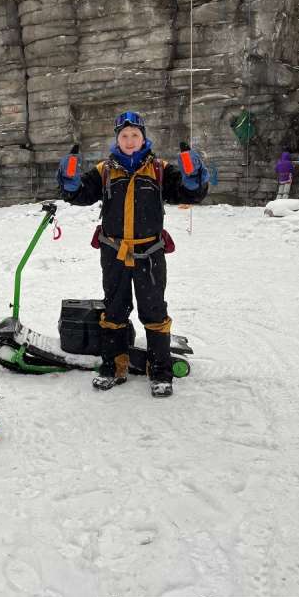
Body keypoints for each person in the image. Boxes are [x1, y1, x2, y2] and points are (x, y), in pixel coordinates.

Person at [58, 111, 209, 397]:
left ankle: (160, 371)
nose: (129, 141)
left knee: (154, 311)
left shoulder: (160, 169)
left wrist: (194, 181)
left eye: (134, 136)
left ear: (143, 138)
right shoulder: (104, 170)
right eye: (124, 136)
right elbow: (81, 195)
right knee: (114, 310)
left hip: (150, 252)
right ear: (117, 139)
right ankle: (114, 367)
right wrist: (70, 183)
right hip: (114, 252)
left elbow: (188, 194)